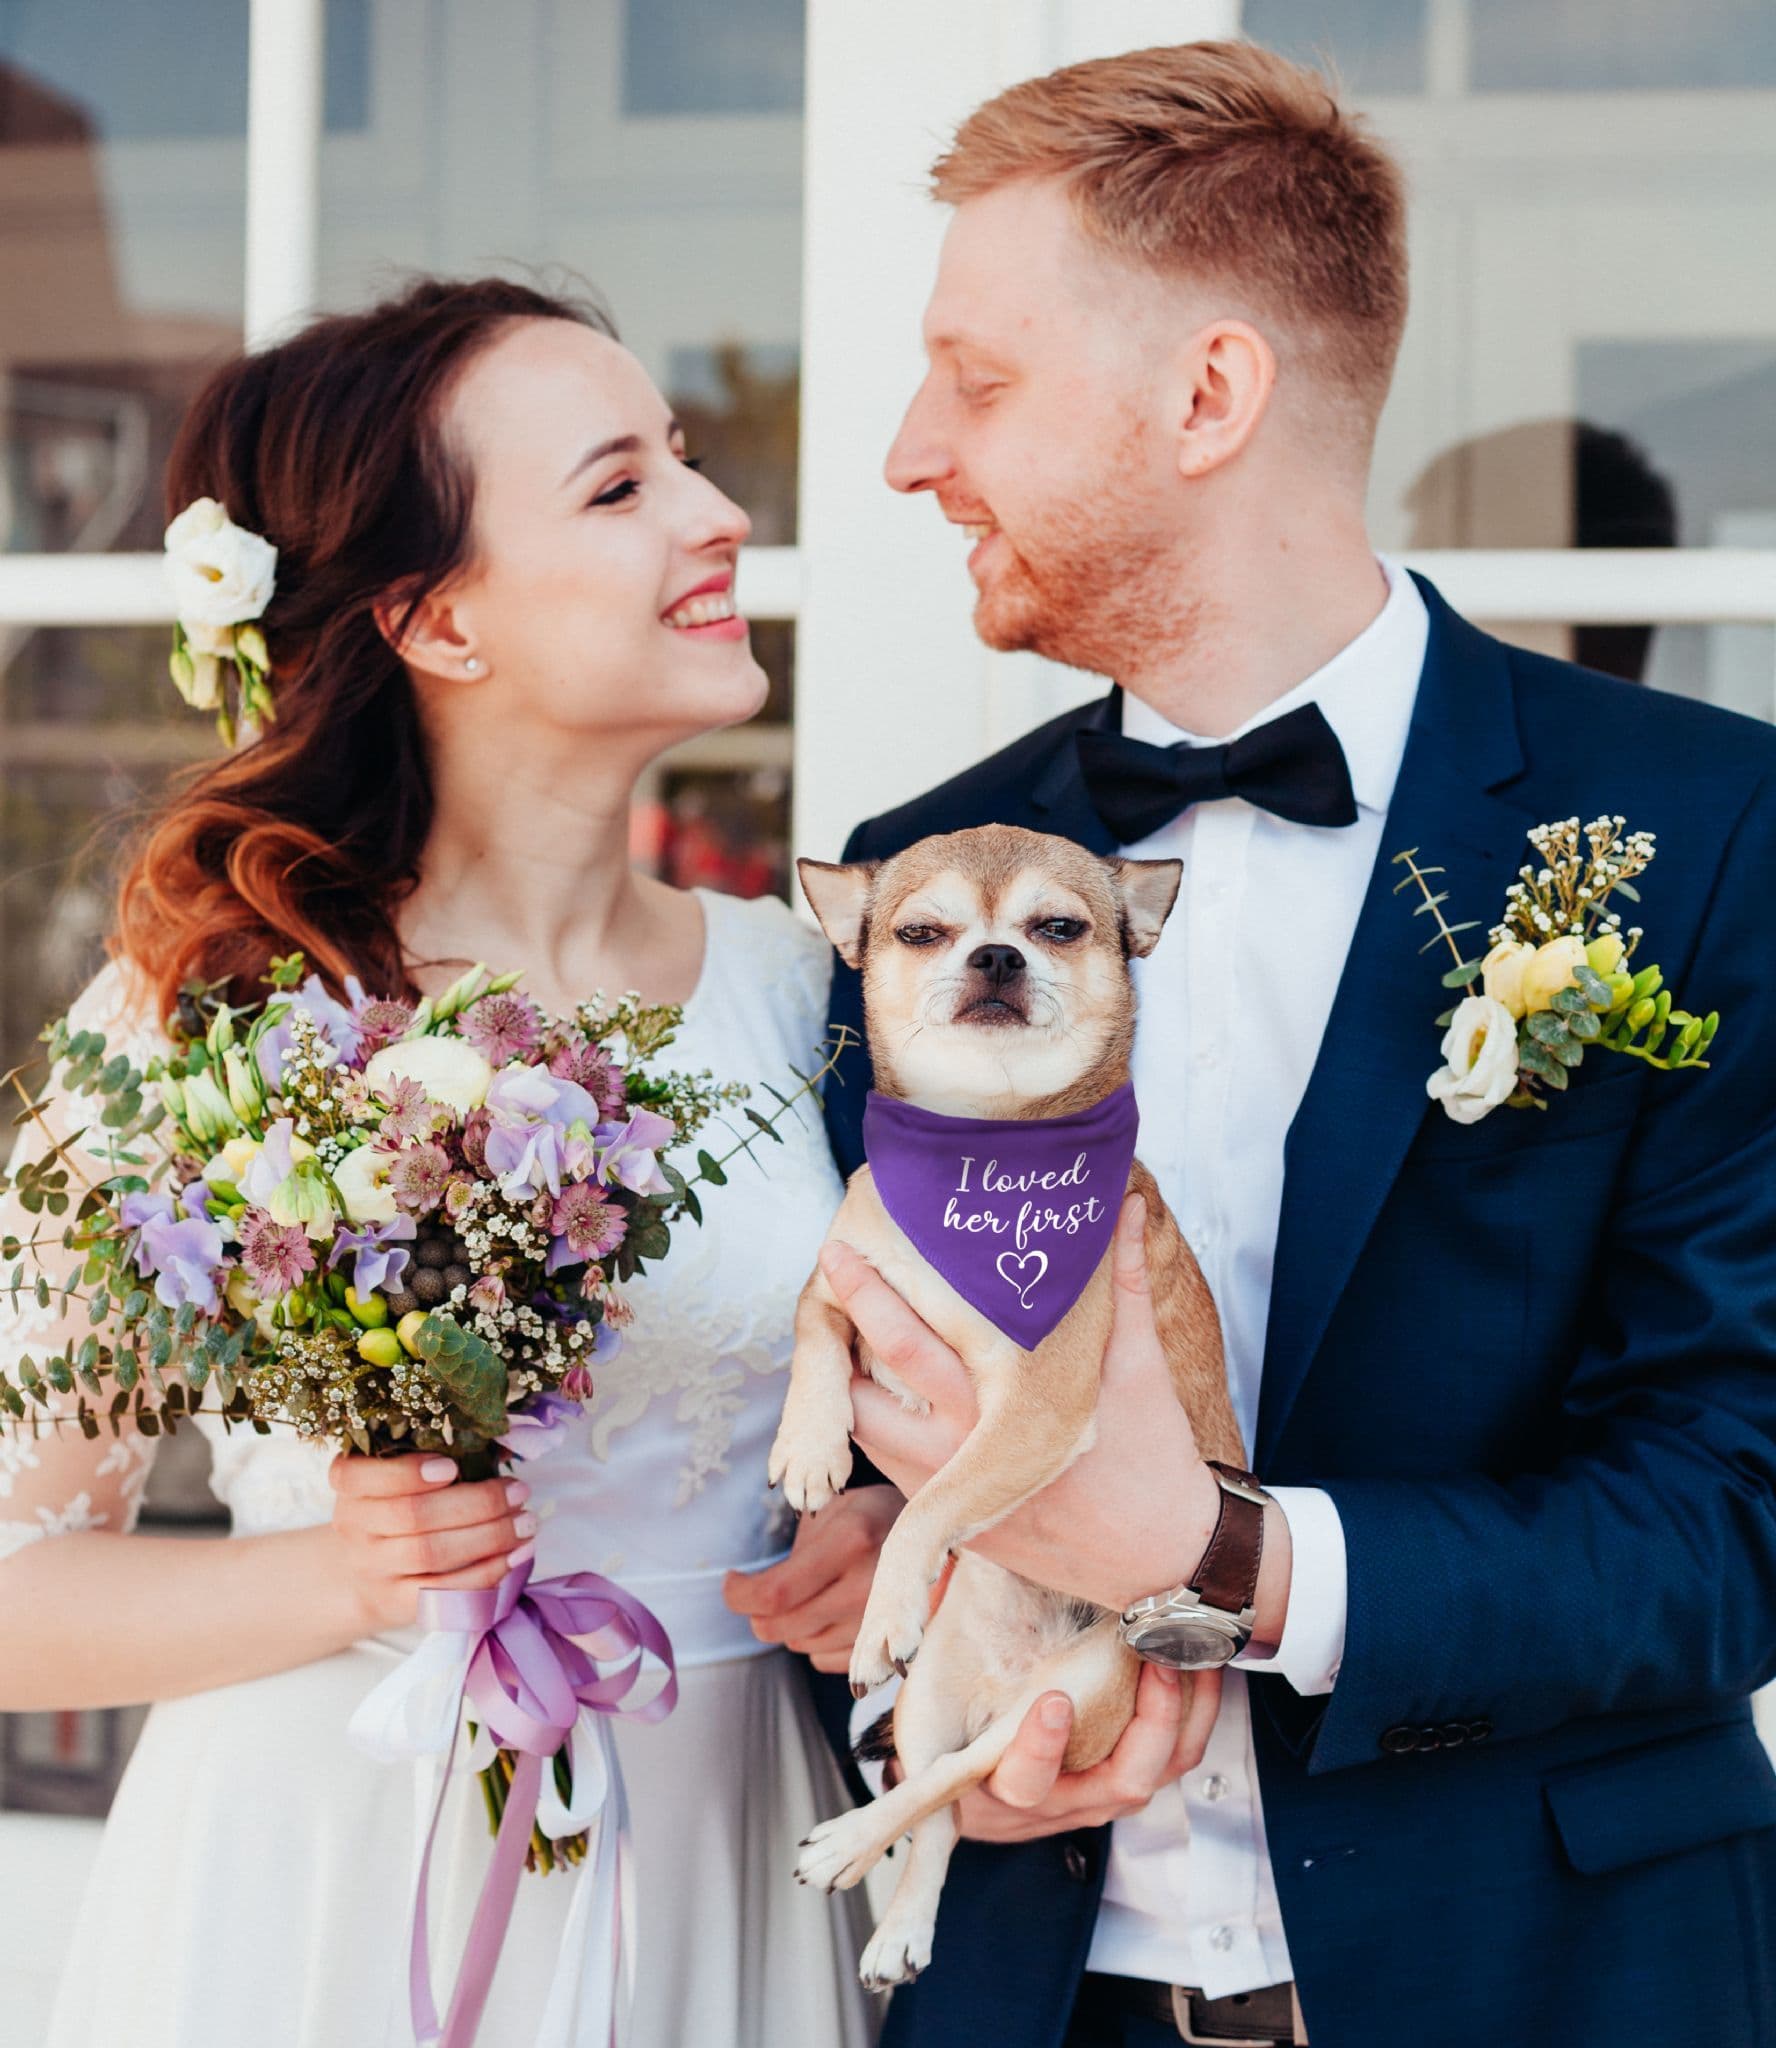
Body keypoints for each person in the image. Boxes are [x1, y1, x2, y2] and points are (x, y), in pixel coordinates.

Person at [760, 40, 1776, 2048]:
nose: (901, 453)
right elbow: (887, 1407)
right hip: (1024, 1996)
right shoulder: (910, 880)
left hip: (1559, 1987)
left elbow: (1733, 1507)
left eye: (978, 380)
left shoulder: (1709, 834)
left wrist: (1233, 1557)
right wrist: (898, 1647)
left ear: (1211, 395)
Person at [0, 276, 876, 2048]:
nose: (721, 518)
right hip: (323, 1876)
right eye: (622, 486)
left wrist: (881, 1531)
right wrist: (344, 1576)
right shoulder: (207, 1012)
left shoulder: (808, 991)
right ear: (438, 619)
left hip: (726, 1856)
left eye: (691, 462)